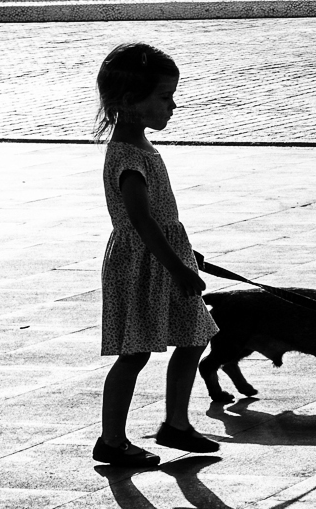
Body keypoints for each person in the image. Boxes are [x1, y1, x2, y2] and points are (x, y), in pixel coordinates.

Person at [93, 43, 221, 468]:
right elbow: (141, 221)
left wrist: (183, 251)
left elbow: (157, 222)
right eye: (165, 97)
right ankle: (112, 441)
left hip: (160, 258)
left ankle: (176, 425)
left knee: (195, 336)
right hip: (142, 266)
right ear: (130, 101)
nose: (173, 106)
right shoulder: (128, 156)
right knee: (135, 353)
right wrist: (178, 267)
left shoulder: (141, 147)